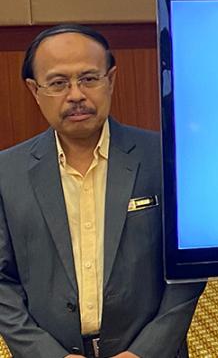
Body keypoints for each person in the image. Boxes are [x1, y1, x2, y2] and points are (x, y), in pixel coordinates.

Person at [0, 25, 205, 357]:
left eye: (89, 78)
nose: (76, 95)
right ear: (34, 90)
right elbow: (2, 282)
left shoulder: (165, 157)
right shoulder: (6, 172)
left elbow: (188, 270)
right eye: (58, 83)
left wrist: (145, 352)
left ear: (110, 79)